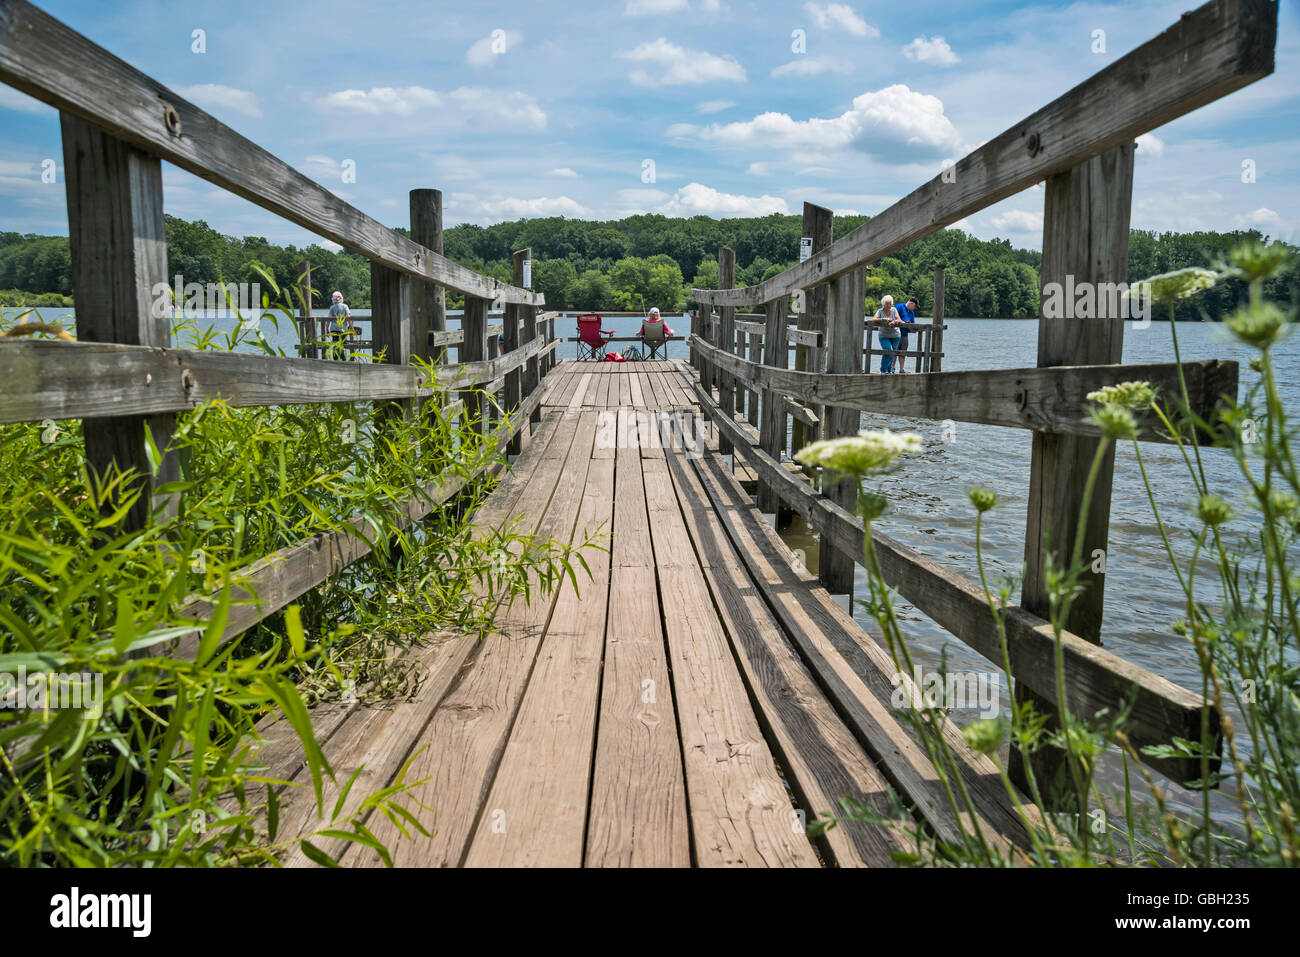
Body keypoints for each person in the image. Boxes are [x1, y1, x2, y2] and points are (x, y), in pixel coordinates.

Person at [874, 295, 903, 373]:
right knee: (888, 351)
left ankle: (889, 370)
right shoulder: (880, 311)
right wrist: (881, 319)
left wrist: (895, 321)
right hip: (884, 335)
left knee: (892, 353)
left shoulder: (894, 310)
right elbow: (874, 319)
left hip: (895, 335)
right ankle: (883, 369)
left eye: (890, 304)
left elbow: (899, 319)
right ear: (883, 304)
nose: (889, 305)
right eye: (887, 304)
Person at [327, 290, 355, 360]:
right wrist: (352, 329)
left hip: (334, 329)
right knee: (342, 345)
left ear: (333, 299)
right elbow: (348, 318)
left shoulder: (332, 307)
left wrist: (326, 328)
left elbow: (328, 319)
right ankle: (343, 359)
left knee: (335, 345)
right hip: (343, 329)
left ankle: (335, 359)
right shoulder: (345, 306)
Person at [895, 297, 918, 372]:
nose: (914, 309)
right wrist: (903, 322)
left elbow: (913, 324)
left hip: (905, 335)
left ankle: (901, 369)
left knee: (903, 352)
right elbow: (893, 316)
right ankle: (892, 368)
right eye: (915, 306)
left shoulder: (912, 313)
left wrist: (910, 325)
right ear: (911, 304)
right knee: (894, 351)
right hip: (895, 333)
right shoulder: (899, 306)